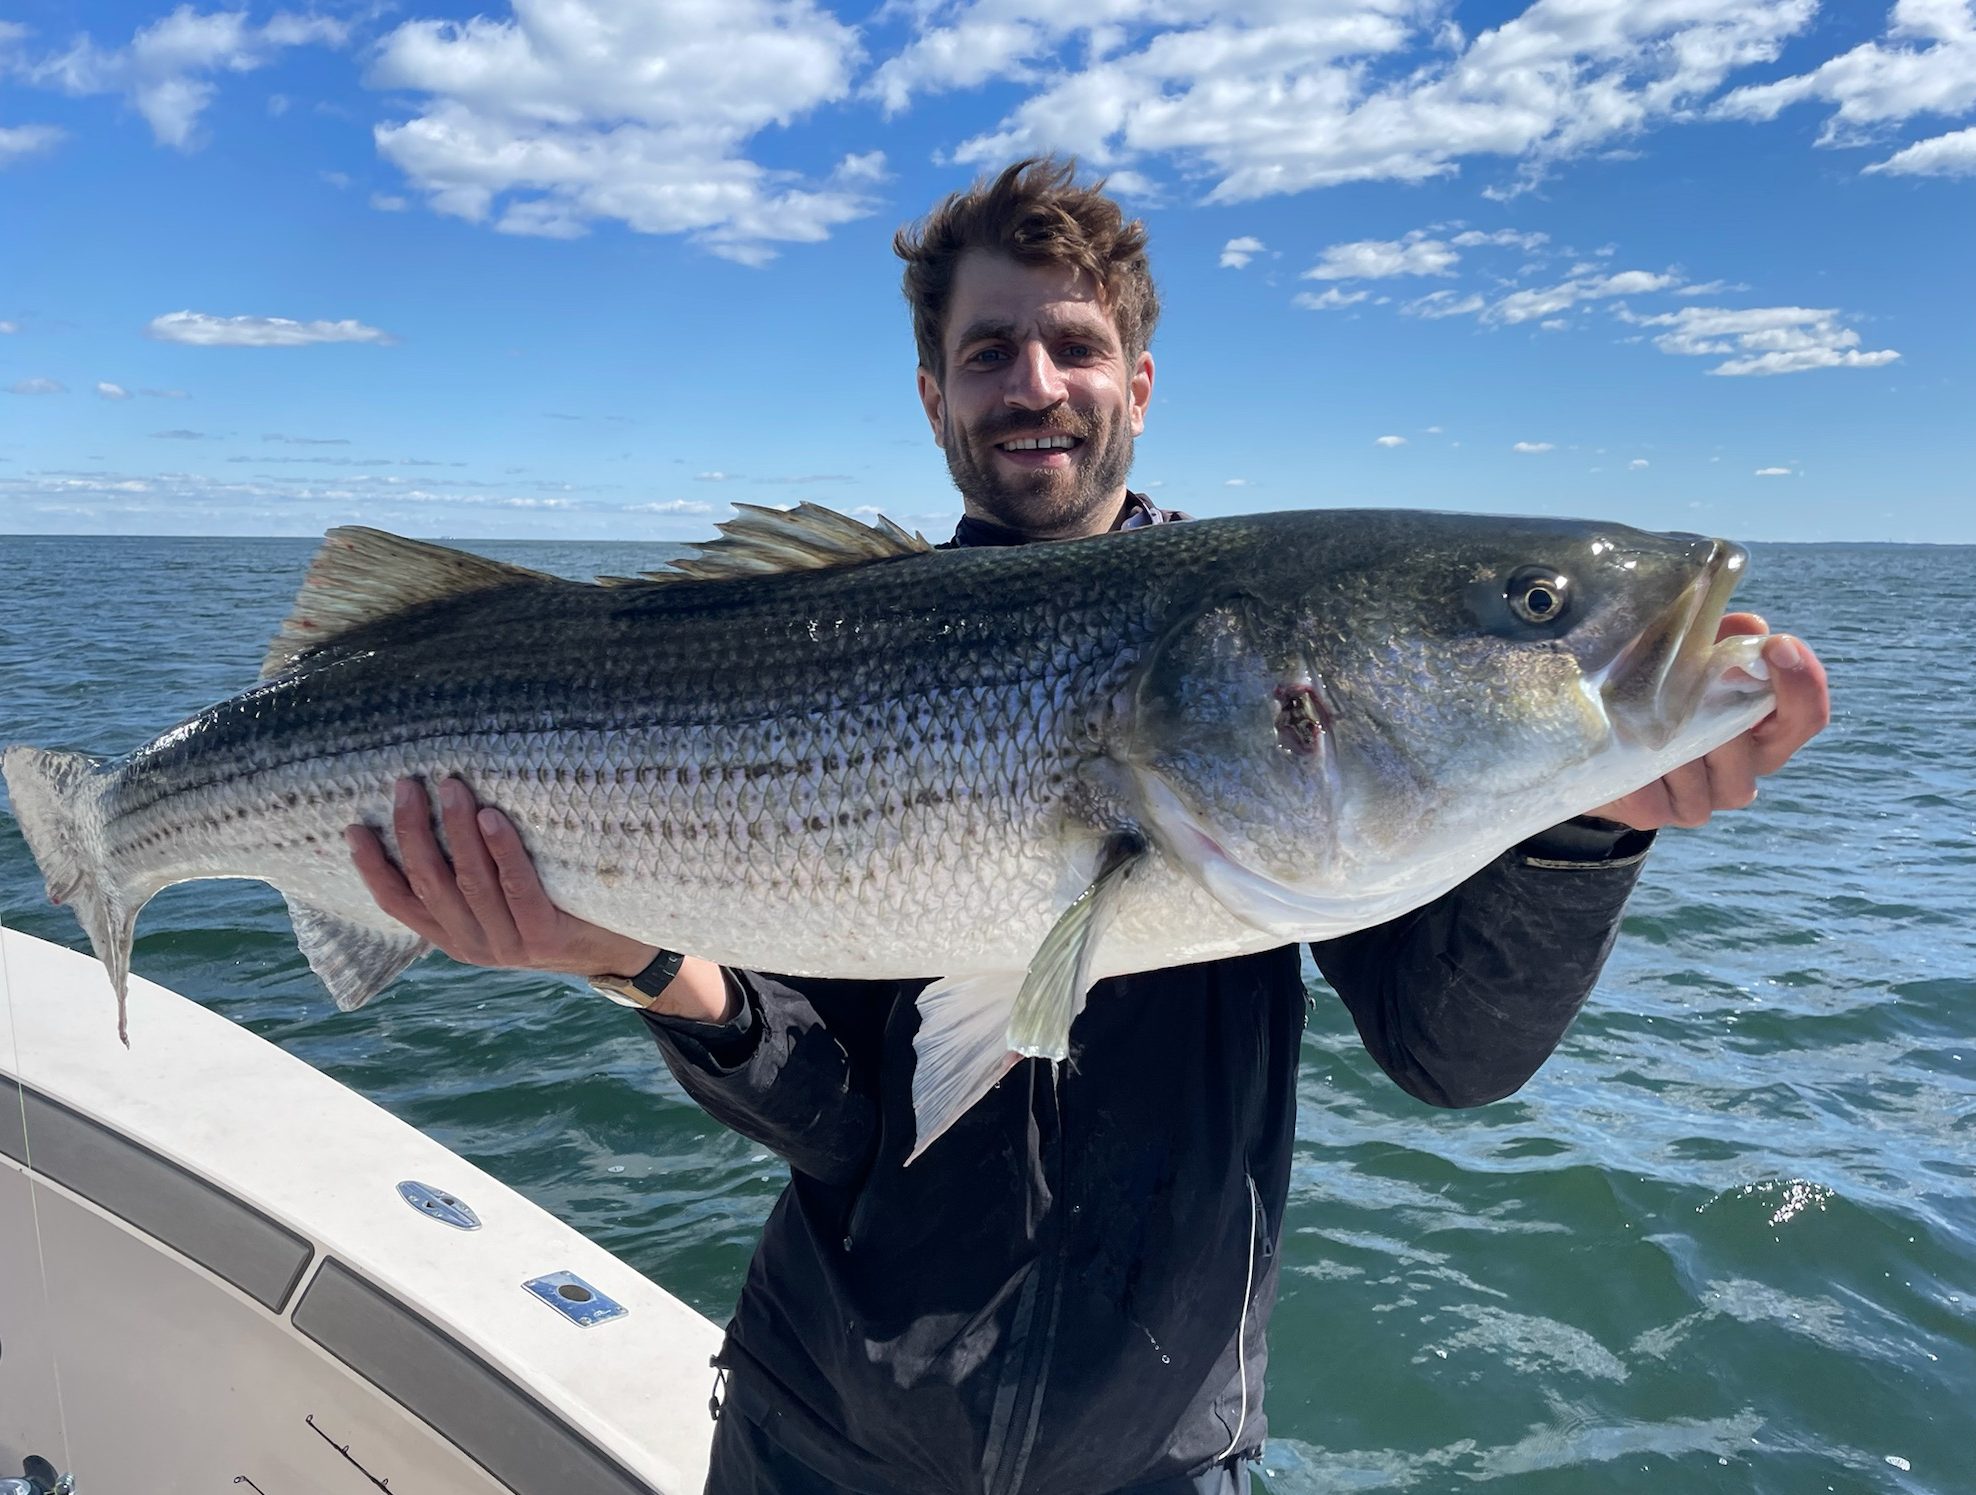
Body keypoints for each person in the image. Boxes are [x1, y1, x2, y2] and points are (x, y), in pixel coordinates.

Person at [346, 159, 1830, 1494]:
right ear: (935, 396)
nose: (1034, 382)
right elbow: (851, 1119)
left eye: (1076, 347)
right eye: (988, 351)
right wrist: (634, 956)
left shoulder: (1273, 692)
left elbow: (1453, 1062)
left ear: (1139, 382)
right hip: (823, 1443)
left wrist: (1582, 830)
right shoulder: (840, 643)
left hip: (1162, 1460)